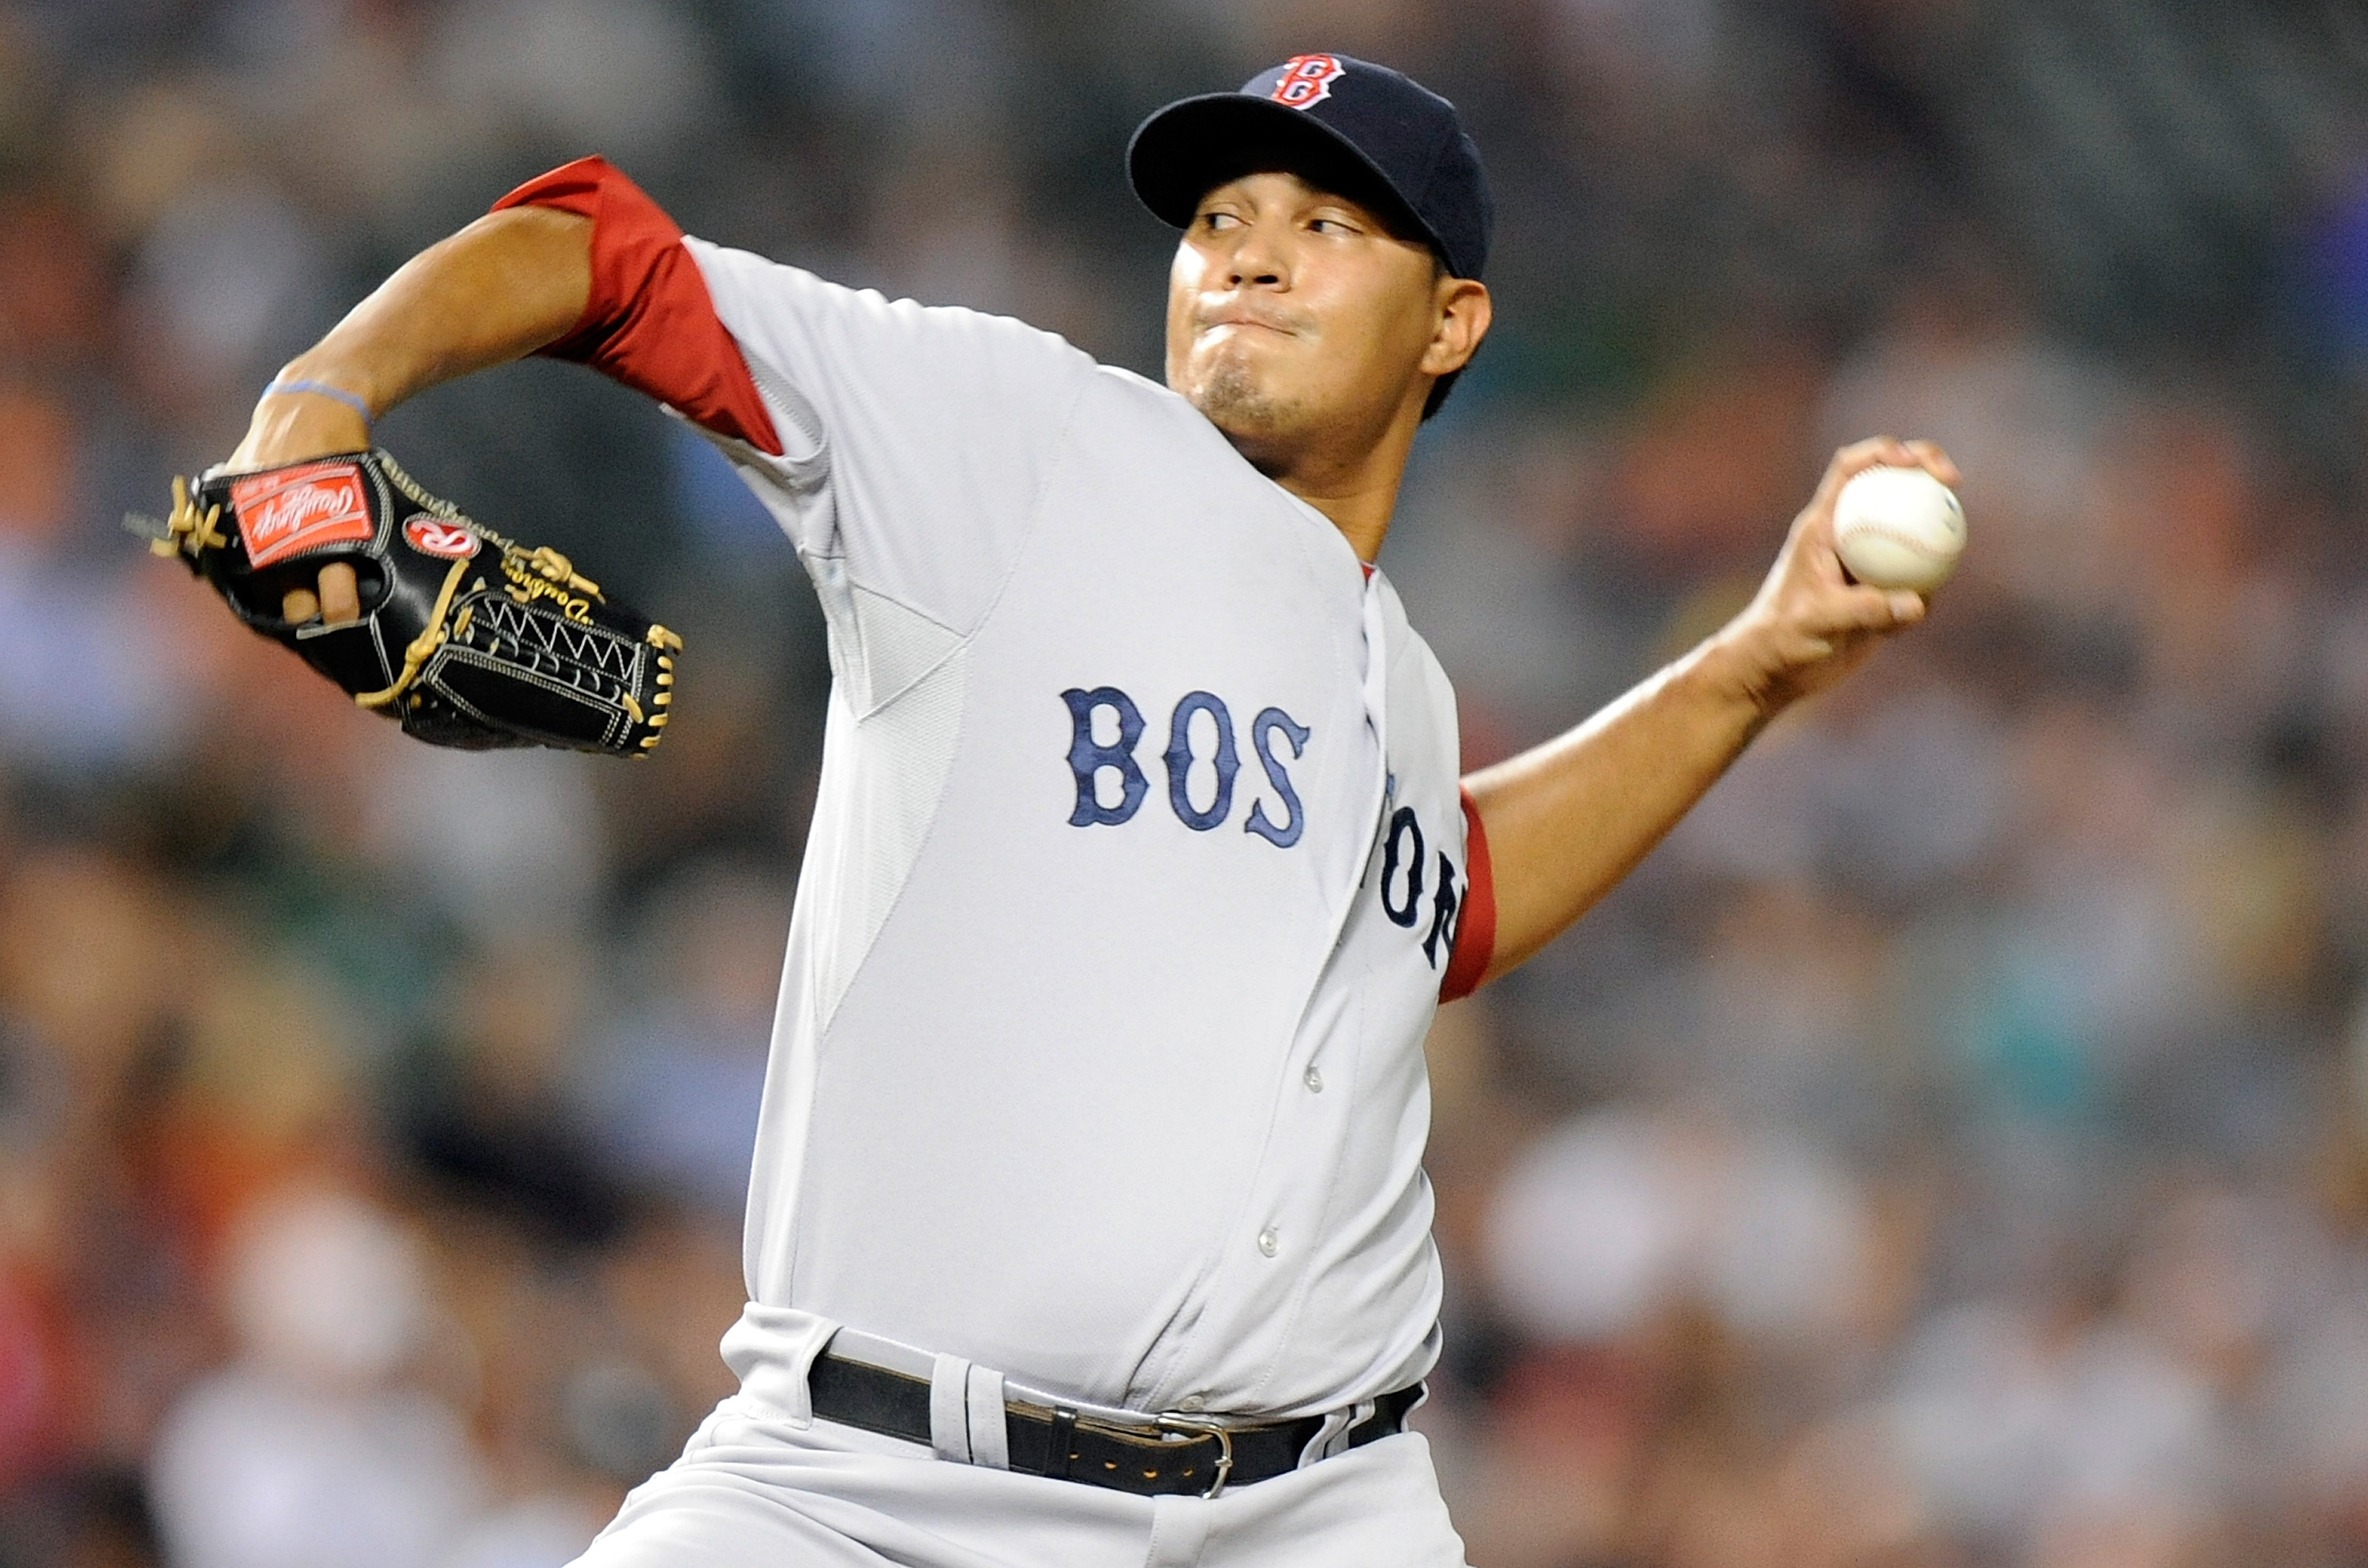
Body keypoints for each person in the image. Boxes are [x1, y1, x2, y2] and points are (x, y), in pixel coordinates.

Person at [212, 52, 1951, 1568]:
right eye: (1220, 221)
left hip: (1318, 1510)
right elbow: (597, 247)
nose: (1251, 249)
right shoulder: (1020, 440)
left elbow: (1455, 902)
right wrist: (316, 401)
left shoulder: (1402, 678)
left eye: (1328, 224)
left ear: (1453, 321)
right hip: (872, 1489)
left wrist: (1755, 668)